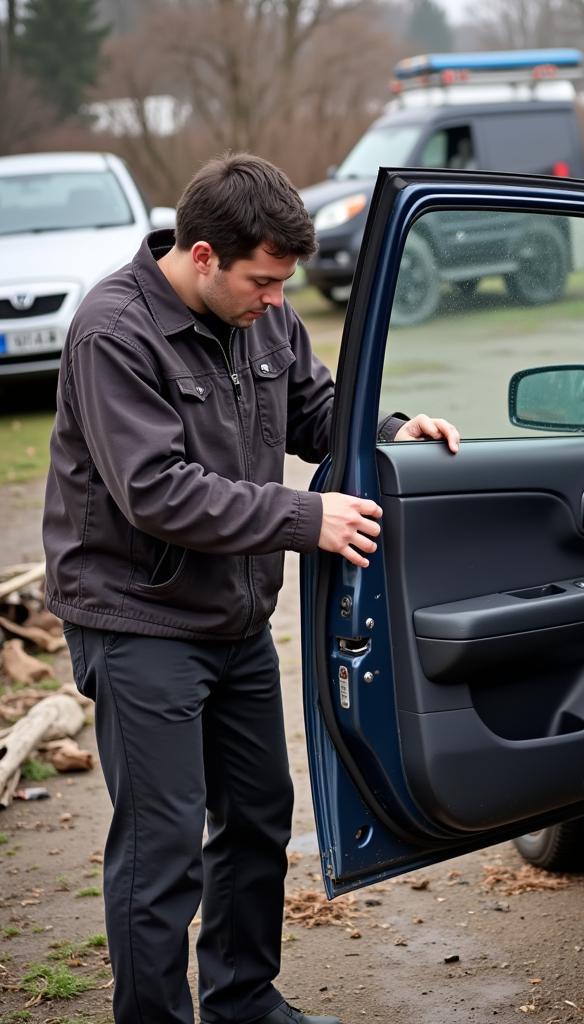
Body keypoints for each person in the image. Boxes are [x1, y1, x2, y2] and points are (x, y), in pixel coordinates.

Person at [42, 153, 459, 1024]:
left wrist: (392, 429)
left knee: (260, 812)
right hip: (138, 618)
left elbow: (316, 411)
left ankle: (241, 1000)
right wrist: (307, 521)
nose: (277, 300)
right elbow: (154, 489)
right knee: (162, 847)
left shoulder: (262, 318)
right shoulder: (113, 332)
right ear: (201, 256)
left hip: (232, 617)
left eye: (283, 284)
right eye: (263, 282)